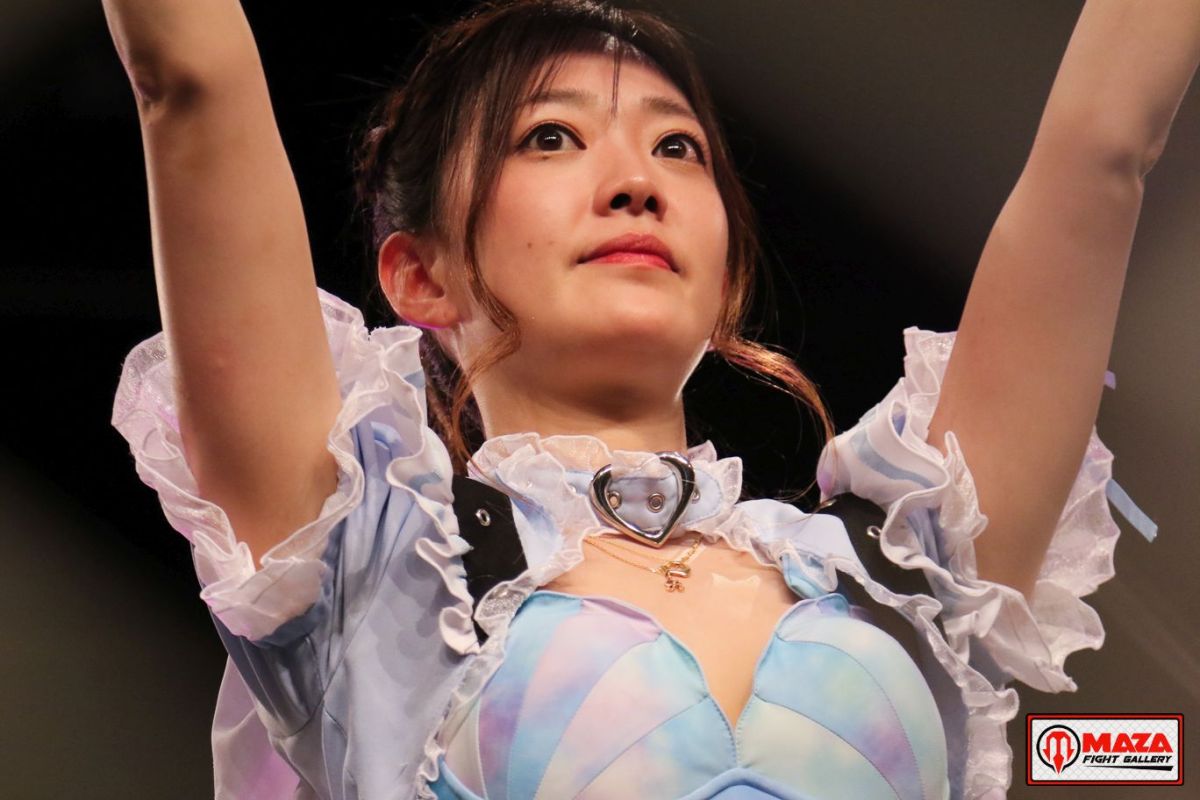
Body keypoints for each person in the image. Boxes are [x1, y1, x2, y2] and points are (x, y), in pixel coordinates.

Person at [104, 0, 1198, 798]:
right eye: (550, 136)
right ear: (420, 277)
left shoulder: (917, 565)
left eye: (678, 147)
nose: (638, 182)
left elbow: (1104, 150)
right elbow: (189, 82)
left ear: (726, 277)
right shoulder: (370, 565)